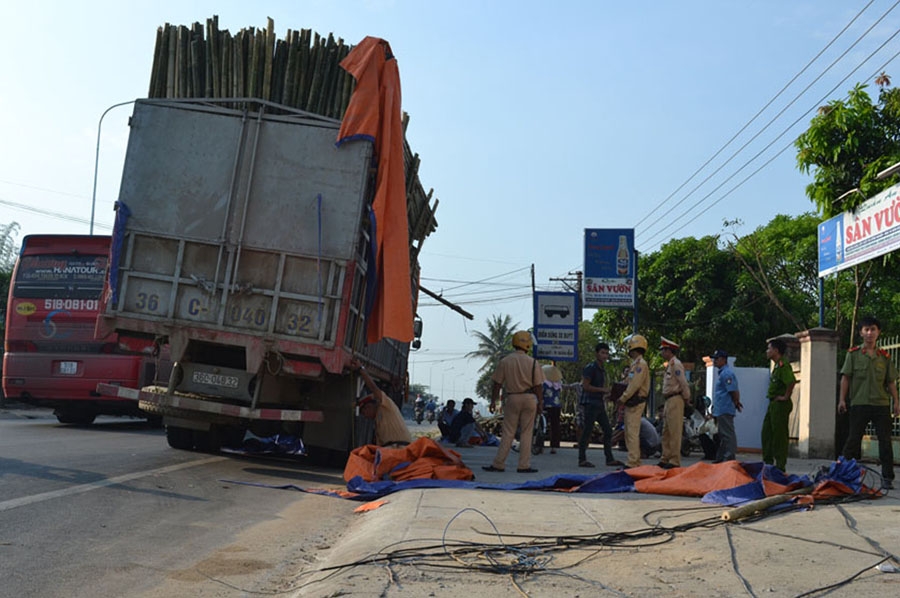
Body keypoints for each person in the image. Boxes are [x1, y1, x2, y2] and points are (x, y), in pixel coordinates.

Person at [838, 315, 899, 489]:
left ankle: (887, 478)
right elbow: (846, 378)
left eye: (873, 329)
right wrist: (842, 400)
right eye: (866, 330)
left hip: (880, 404)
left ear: (878, 332)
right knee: (853, 440)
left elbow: (890, 382)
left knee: (885, 442)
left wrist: (896, 401)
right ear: (861, 333)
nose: (870, 333)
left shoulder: (885, 357)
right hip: (859, 403)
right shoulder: (854, 355)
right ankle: (842, 473)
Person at [483, 330, 545, 474]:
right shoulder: (533, 363)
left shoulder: (505, 361)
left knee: (508, 432)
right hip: (529, 399)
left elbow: (497, 384)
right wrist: (540, 403)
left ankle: (499, 464)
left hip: (512, 398)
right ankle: (524, 465)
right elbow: (538, 386)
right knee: (527, 433)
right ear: (528, 344)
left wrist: (494, 401)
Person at [577, 342, 625, 468]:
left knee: (608, 430)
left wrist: (608, 395)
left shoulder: (601, 369)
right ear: (597, 353)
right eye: (602, 353)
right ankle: (582, 459)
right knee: (587, 431)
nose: (605, 355)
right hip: (590, 403)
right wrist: (602, 390)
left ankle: (609, 458)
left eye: (607, 353)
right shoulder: (591, 368)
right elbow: (586, 386)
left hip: (598, 403)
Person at [351, 359, 413, 446]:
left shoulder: (386, 405)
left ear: (368, 407)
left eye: (364, 413)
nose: (365, 417)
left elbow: (374, 388)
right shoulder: (378, 422)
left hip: (399, 448)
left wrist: (360, 369)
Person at [762, 338, 797, 472]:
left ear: (776, 351)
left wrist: (786, 396)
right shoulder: (776, 366)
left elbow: (791, 382)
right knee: (766, 433)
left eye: (769, 349)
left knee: (779, 436)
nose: (767, 351)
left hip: (780, 405)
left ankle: (780, 466)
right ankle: (768, 463)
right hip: (772, 404)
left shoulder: (783, 365)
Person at [616, 334, 651, 469]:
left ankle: (633, 462)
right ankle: (633, 460)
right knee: (629, 432)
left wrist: (623, 397)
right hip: (632, 401)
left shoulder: (640, 365)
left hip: (635, 401)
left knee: (632, 432)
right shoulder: (635, 364)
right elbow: (628, 382)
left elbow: (634, 385)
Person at [657, 337, 691, 469]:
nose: (661, 353)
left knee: (674, 431)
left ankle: (674, 460)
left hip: (676, 398)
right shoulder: (670, 365)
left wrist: (687, 397)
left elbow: (683, 382)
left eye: (663, 350)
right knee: (666, 430)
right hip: (669, 400)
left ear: (668, 351)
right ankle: (665, 457)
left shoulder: (676, 364)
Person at [711, 350, 741, 462]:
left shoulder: (727, 374)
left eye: (717, 359)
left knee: (727, 434)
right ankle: (721, 457)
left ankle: (729, 457)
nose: (714, 361)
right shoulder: (723, 373)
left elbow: (733, 390)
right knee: (723, 434)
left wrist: (736, 402)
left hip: (725, 408)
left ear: (724, 359)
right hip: (721, 408)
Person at [541, 364, 564, 454]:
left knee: (543, 426)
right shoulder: (558, 384)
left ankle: (540, 445)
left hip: (545, 406)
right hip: (556, 407)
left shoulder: (544, 384)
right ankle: (554, 446)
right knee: (555, 426)